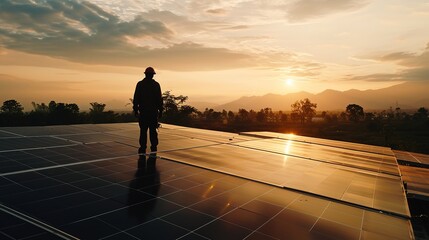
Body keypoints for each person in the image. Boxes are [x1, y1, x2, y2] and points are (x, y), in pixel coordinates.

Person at [133, 67, 163, 154]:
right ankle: (153, 147)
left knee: (143, 131)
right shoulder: (156, 85)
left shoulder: (140, 84)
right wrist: (160, 111)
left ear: (145, 74)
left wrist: (135, 110)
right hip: (153, 113)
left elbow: (136, 98)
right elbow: (159, 100)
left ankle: (143, 147)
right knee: (153, 131)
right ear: (152, 75)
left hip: (143, 113)